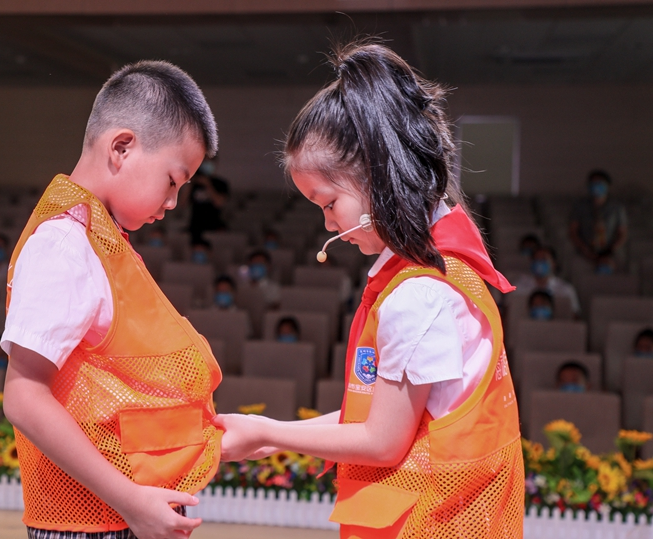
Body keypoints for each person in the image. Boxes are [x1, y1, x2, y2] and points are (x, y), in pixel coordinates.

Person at [213, 41, 524, 538]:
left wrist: (268, 431)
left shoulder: (417, 295)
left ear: (377, 175)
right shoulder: (444, 265)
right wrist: (272, 438)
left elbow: (383, 441)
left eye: (328, 201)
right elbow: (387, 415)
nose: (327, 222)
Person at [1, 60, 221, 539]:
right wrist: (131, 501)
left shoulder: (104, 241)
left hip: (126, 509)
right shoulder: (64, 243)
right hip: (93, 520)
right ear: (122, 148)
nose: (172, 204)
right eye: (172, 181)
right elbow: (23, 396)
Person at [569, 169, 628, 265]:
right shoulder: (580, 206)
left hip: (609, 251)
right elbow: (573, 231)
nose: (596, 186)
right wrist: (584, 249)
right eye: (593, 183)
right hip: (585, 251)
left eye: (599, 183)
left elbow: (622, 233)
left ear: (607, 185)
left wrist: (611, 250)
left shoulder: (617, 207)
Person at [513, 246, 580, 316]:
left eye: (543, 259)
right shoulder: (519, 286)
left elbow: (575, 316)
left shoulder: (566, 290)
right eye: (536, 259)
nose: (539, 263)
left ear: (554, 263)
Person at [187, 158, 229, 242]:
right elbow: (182, 203)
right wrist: (190, 183)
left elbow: (219, 203)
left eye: (210, 162)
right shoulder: (194, 183)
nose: (207, 164)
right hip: (195, 226)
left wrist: (208, 184)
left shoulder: (221, 183)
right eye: (205, 162)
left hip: (214, 225)